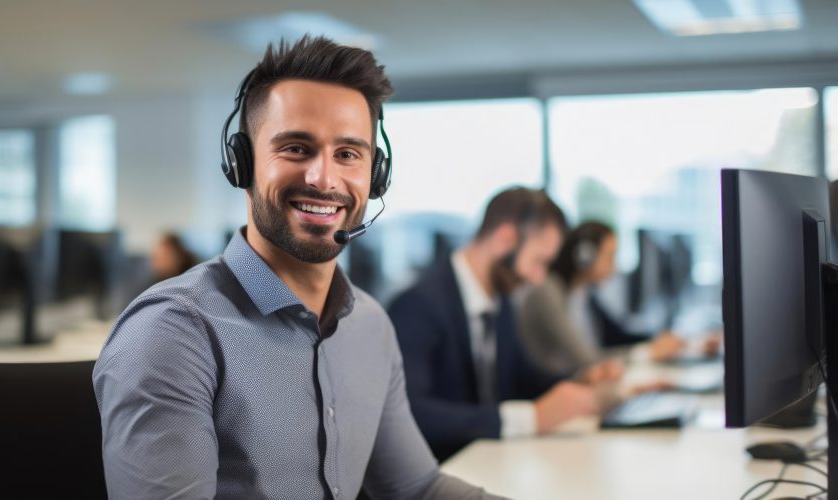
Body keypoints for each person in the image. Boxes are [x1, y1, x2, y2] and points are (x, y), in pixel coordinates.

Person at [93, 36, 499, 499]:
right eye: (295, 148)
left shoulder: (369, 326)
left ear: (376, 174)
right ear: (241, 163)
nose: (324, 178)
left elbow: (418, 489)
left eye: (348, 154)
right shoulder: (173, 332)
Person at [388, 188, 618, 462]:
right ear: (504, 240)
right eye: (539, 262)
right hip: (438, 474)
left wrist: (578, 381)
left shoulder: (500, 301)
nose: (538, 278)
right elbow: (411, 413)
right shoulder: (420, 305)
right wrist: (531, 419)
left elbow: (523, 376)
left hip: (490, 465)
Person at [514, 221, 694, 377]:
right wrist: (647, 353)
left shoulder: (584, 294)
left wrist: (661, 341)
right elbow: (586, 360)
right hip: (556, 391)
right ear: (584, 257)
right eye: (610, 256)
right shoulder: (549, 293)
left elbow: (619, 336)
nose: (614, 268)